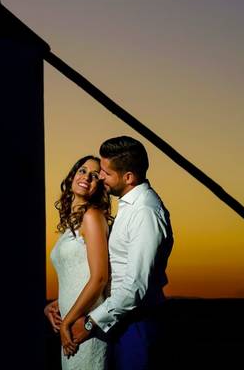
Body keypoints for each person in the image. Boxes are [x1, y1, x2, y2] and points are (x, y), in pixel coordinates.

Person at [69, 136, 173, 369]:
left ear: (128, 177)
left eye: (106, 172)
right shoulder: (129, 205)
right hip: (119, 320)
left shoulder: (145, 212)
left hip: (137, 324)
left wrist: (89, 323)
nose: (100, 177)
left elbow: (135, 287)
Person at [45, 155, 114, 369]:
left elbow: (100, 278)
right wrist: (55, 305)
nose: (87, 177)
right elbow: (75, 276)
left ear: (99, 186)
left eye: (95, 175)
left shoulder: (92, 216)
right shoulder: (70, 223)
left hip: (83, 326)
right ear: (73, 175)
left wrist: (67, 321)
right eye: (82, 170)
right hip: (70, 325)